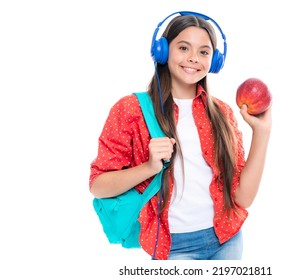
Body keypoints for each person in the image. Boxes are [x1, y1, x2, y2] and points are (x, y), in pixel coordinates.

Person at [89, 11, 272, 260]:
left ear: (215, 61)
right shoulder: (131, 109)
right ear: (162, 51)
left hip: (226, 240)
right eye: (184, 48)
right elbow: (98, 186)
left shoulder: (223, 113)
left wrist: (262, 132)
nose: (193, 58)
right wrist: (149, 167)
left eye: (204, 52)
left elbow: (243, 198)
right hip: (173, 247)